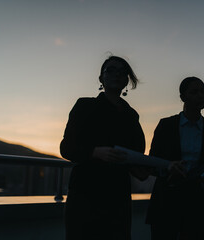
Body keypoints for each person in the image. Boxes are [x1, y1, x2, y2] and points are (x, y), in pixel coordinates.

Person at [60, 55, 146, 240]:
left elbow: (138, 154)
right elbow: (66, 148)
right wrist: (94, 152)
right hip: (85, 195)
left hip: (118, 197)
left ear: (127, 80)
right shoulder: (84, 106)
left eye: (122, 72)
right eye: (111, 70)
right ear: (101, 78)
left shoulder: (131, 115)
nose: (117, 75)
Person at [146, 77, 204, 240]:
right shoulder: (166, 125)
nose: (201, 95)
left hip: (198, 204)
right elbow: (153, 161)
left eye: (203, 91)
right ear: (182, 97)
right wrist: (168, 169)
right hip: (166, 201)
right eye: (194, 92)